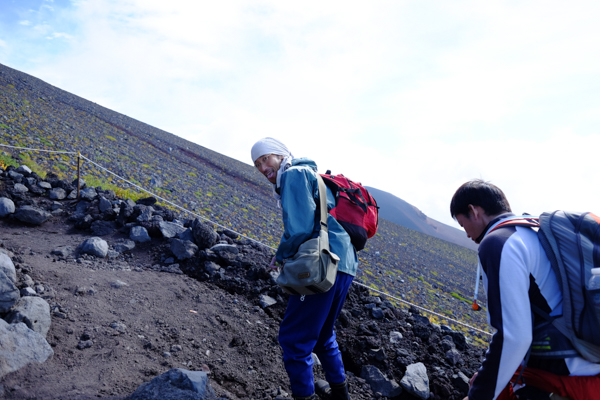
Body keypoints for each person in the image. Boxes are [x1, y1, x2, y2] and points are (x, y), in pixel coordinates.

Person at [450, 179, 600, 400]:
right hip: (589, 364)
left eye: (463, 225)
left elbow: (514, 337)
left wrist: (478, 396)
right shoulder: (535, 231)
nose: (467, 235)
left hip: (566, 377)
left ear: (474, 211)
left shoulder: (498, 243)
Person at [251, 137, 358, 400]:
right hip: (343, 263)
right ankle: (339, 394)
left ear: (281, 155)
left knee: (294, 339)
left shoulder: (293, 175)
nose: (263, 167)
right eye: (257, 164)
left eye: (266, 158)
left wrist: (281, 256)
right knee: (322, 334)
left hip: (321, 264)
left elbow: (298, 228)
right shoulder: (310, 173)